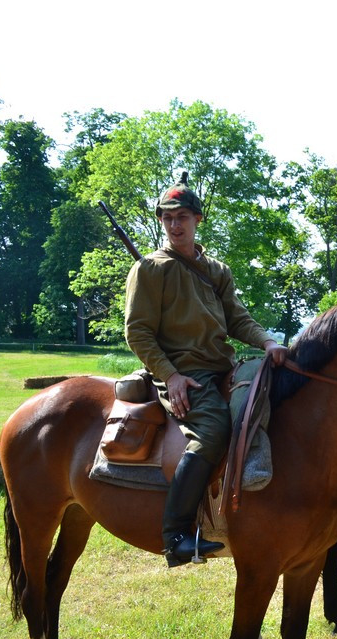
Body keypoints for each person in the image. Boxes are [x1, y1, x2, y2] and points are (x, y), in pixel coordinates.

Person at [125, 172, 289, 567]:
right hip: (182, 372)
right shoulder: (150, 269)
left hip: (222, 366)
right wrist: (171, 376)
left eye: (182, 216)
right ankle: (177, 534)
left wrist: (268, 342)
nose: (174, 225)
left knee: (268, 400)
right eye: (167, 218)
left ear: (198, 219)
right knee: (214, 429)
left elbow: (238, 318)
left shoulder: (217, 270)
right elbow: (138, 333)